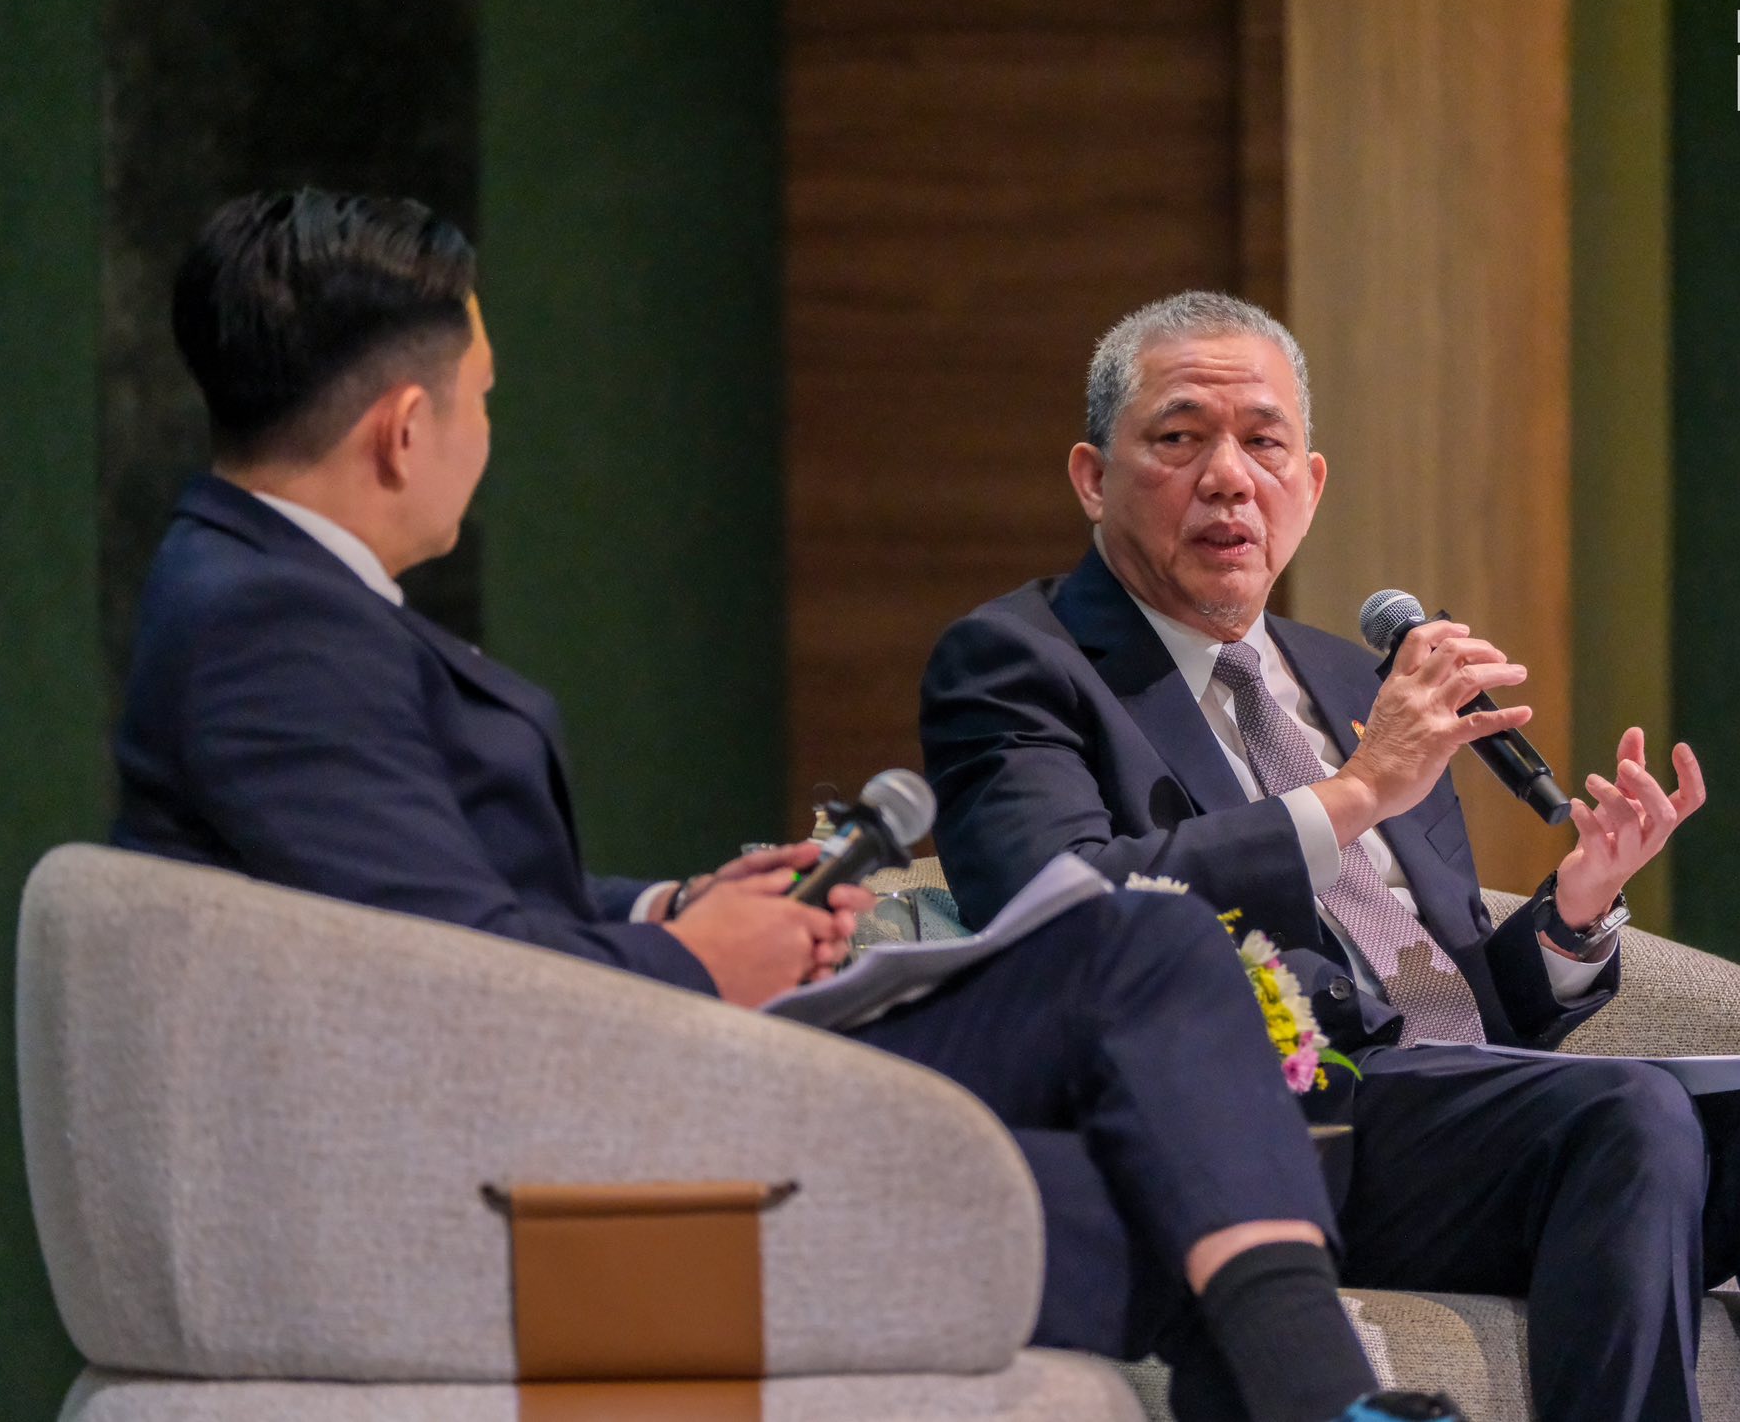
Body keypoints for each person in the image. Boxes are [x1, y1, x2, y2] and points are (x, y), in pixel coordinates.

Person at [112, 191, 1461, 1422]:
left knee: (1148, 993)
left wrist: (667, 902)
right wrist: (693, 960)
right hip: (518, 1150)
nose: (485, 436)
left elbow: (439, 897)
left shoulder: (264, 593)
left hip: (577, 1062)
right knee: (1153, 1094)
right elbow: (437, 978)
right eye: (482, 400)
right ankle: (1329, 1404)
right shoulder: (277, 632)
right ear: (405, 431)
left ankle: (1322, 1404)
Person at [919, 289, 1740, 1422]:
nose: (1228, 478)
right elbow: (1058, 905)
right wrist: (1354, 792)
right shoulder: (1017, 662)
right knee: (1629, 1114)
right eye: (1178, 437)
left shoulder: (1350, 678)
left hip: (1464, 1122)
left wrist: (1571, 917)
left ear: (1310, 486)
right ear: (1091, 477)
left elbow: (1453, 1005)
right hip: (1280, 1129)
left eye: (1264, 443)